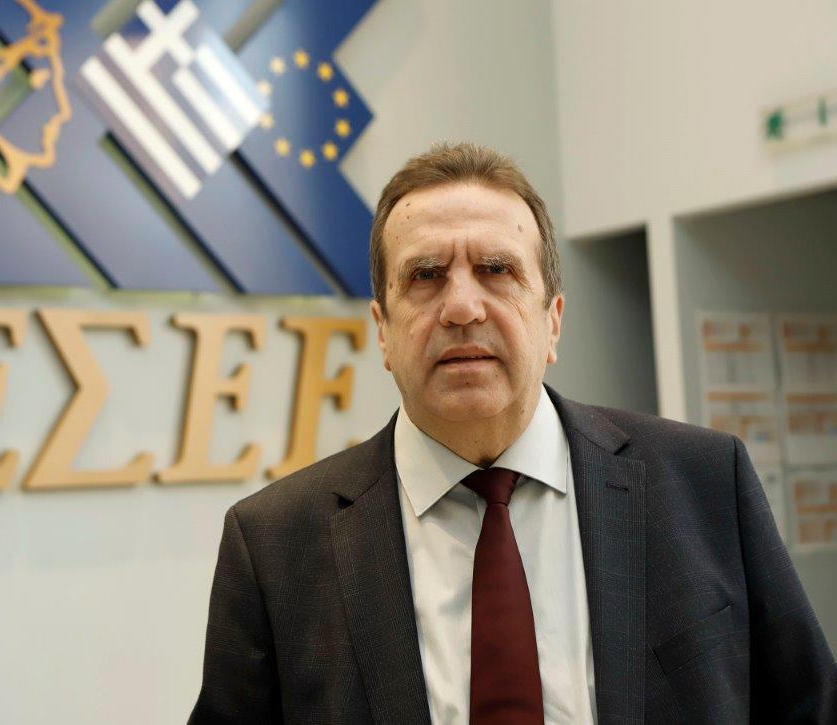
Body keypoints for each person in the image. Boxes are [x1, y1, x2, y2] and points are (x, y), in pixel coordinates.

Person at [189, 142, 837, 723]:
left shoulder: (705, 483)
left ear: (552, 320)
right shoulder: (275, 544)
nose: (462, 307)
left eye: (497, 270)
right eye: (425, 276)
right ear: (382, 331)